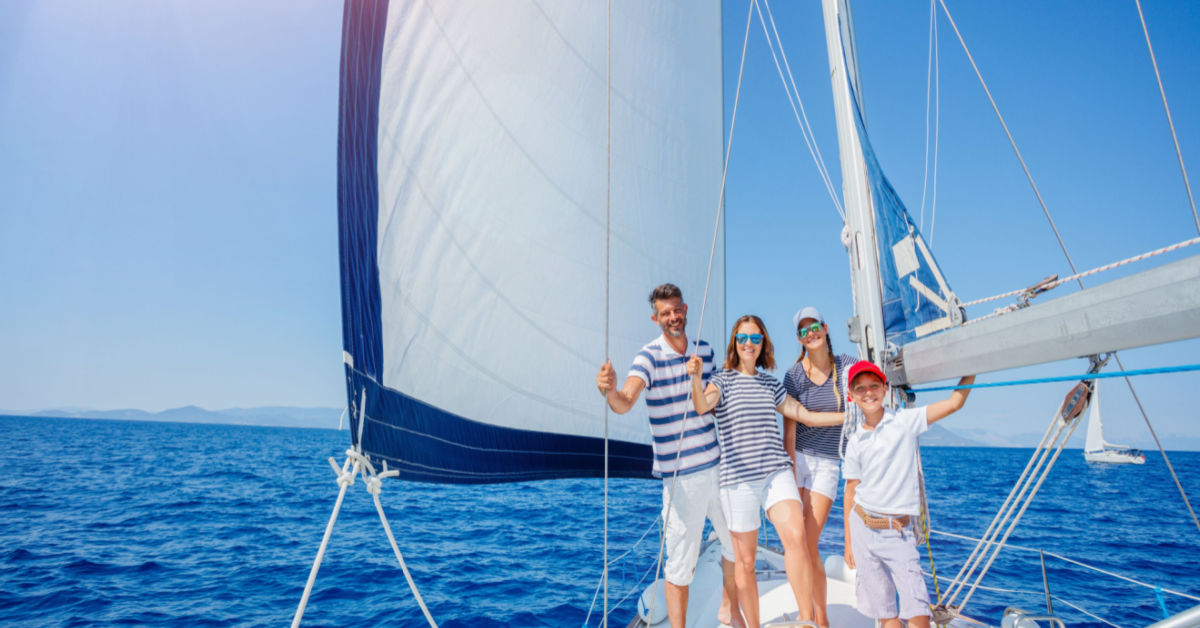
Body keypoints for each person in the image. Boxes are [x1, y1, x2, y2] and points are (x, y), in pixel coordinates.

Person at [596, 283, 742, 628]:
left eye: (677, 309)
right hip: (681, 480)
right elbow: (625, 402)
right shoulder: (648, 356)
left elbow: (711, 403)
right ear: (655, 318)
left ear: (686, 309)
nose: (673, 317)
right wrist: (610, 390)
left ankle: (728, 606)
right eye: (665, 313)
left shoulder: (705, 351)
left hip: (717, 467)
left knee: (736, 544)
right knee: (679, 563)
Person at [687, 315, 844, 627]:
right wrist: (695, 378)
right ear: (735, 343)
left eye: (755, 338)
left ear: (763, 344)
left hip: (775, 471)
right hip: (738, 481)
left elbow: (806, 416)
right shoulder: (722, 381)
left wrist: (850, 417)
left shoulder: (770, 384)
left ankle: (805, 619)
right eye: (743, 338)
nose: (749, 344)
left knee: (797, 537)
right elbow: (702, 406)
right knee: (745, 561)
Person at [841, 361, 976, 628]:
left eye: (873, 386)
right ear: (851, 396)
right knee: (886, 613)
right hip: (862, 529)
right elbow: (851, 489)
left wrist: (972, 365)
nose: (868, 393)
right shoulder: (855, 440)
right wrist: (848, 542)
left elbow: (953, 403)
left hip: (898, 531)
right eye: (860, 388)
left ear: (885, 388)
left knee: (918, 613)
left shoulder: (904, 420)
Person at [781, 306, 852, 628]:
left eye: (815, 327)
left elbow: (872, 387)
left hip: (827, 463)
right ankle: (809, 615)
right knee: (796, 542)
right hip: (798, 460)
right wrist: (790, 473)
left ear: (825, 328)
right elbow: (791, 429)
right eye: (803, 330)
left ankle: (816, 619)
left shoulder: (847, 366)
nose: (810, 334)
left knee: (809, 542)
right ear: (798, 338)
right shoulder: (794, 376)